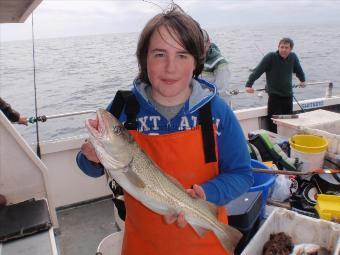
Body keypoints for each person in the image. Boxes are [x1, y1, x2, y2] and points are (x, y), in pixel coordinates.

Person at [76, 5, 252, 255]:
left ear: (196, 62)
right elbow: (86, 165)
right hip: (144, 244)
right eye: (159, 54)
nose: (171, 67)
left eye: (182, 55)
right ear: (144, 59)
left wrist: (206, 193)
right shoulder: (124, 109)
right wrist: (91, 157)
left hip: (204, 243)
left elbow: (242, 174)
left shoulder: (216, 111)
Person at [245, 37, 305, 133]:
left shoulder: (293, 57)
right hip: (274, 96)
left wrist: (302, 80)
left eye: (286, 47)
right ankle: (274, 143)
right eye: (282, 47)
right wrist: (249, 84)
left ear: (291, 49)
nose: (284, 50)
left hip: (288, 95)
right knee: (273, 122)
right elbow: (258, 71)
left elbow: (298, 69)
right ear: (278, 47)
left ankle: (287, 142)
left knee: (288, 122)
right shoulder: (270, 57)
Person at [200, 29, 231, 104]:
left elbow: (222, 93)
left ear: (208, 43)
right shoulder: (191, 59)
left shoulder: (220, 63)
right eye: (195, 47)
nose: (199, 50)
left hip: (214, 106)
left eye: (202, 47)